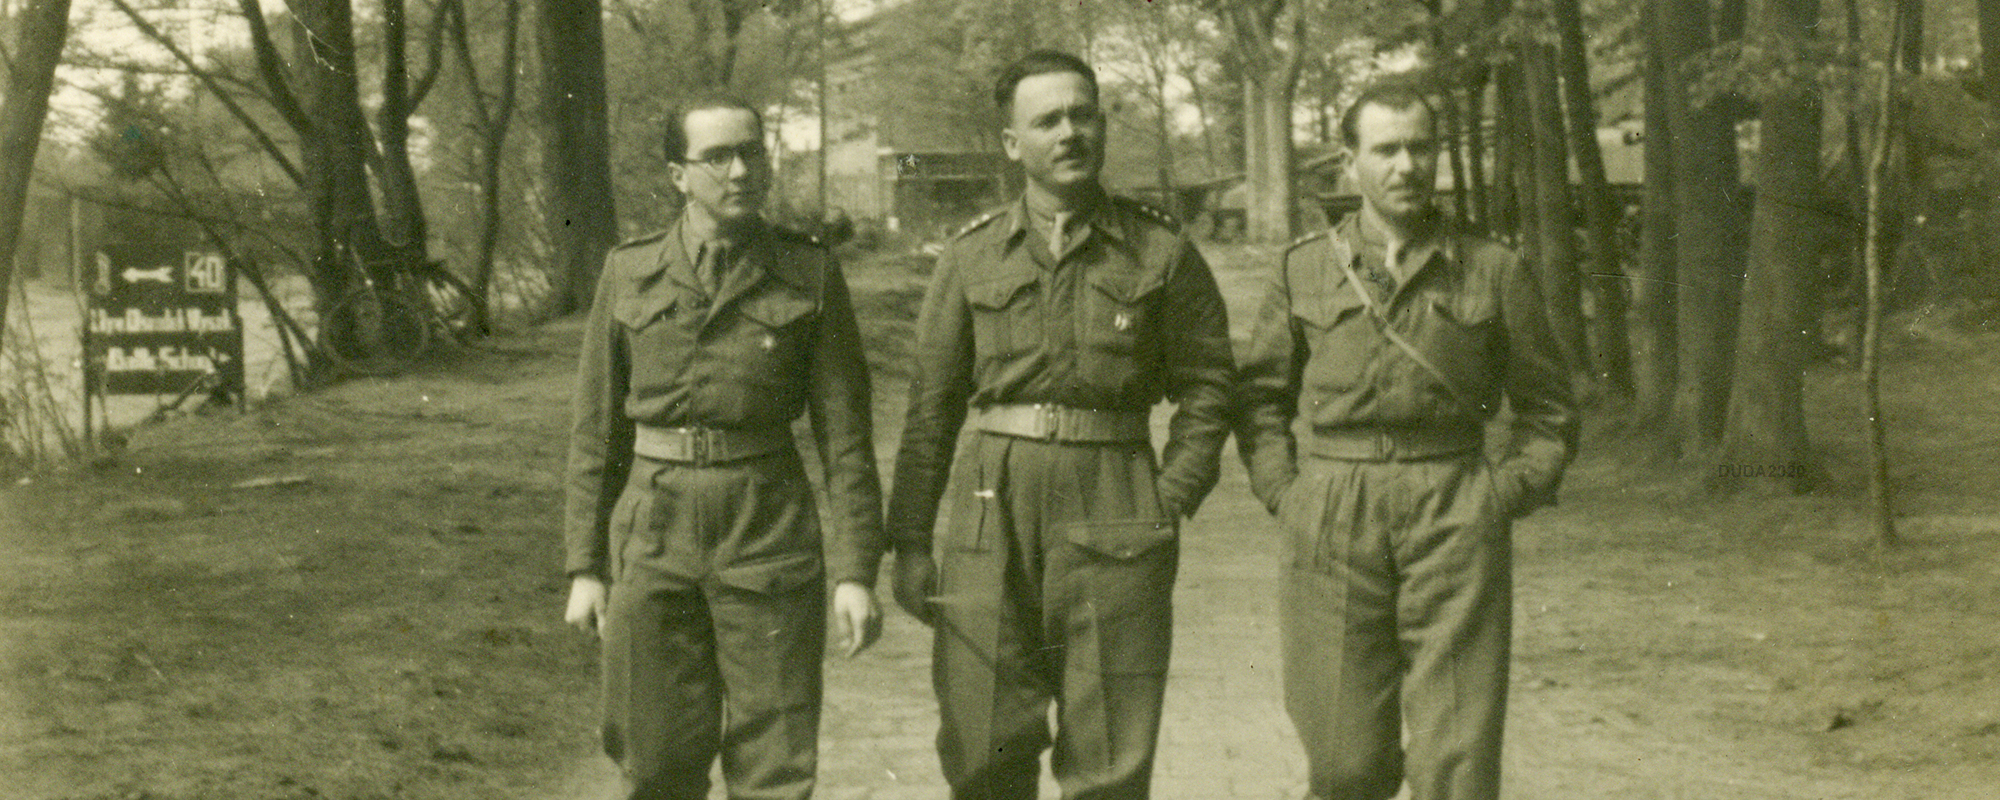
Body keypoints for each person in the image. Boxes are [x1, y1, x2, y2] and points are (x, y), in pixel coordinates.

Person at [885, 49, 1234, 800]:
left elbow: (1209, 385)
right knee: (982, 741)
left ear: (1103, 126)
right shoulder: (971, 254)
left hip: (1115, 498)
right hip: (991, 505)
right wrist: (909, 542)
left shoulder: (1161, 249)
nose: (1070, 133)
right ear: (1013, 143)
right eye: (1048, 121)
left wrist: (1171, 495)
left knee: (1109, 754)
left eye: (1083, 115)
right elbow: (930, 410)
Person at [1235, 83, 1579, 800]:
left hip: (1454, 507)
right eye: (1386, 149)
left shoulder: (1492, 268)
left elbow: (1548, 412)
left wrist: (1499, 495)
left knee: (1457, 762)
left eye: (1420, 148)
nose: (1406, 166)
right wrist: (1285, 495)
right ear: (1350, 161)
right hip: (1332, 511)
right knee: (1344, 764)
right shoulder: (1303, 268)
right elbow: (1260, 399)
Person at [561, 95, 885, 800]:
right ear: (678, 175)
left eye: (751, 153)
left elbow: (846, 438)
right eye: (717, 157)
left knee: (776, 764)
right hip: (654, 529)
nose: (740, 171)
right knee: (653, 760)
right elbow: (597, 431)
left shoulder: (808, 272)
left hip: (766, 524)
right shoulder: (629, 271)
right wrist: (585, 565)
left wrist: (856, 572)